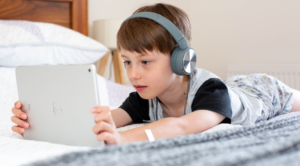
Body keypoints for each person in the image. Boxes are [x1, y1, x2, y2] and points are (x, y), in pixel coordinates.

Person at [11, 3, 300, 145]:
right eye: (126, 62)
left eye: (145, 62)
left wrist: (124, 139)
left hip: (263, 92)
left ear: (180, 61)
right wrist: (42, 124)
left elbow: (181, 127)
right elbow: (105, 120)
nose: (133, 74)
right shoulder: (142, 97)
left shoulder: (212, 92)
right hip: (235, 88)